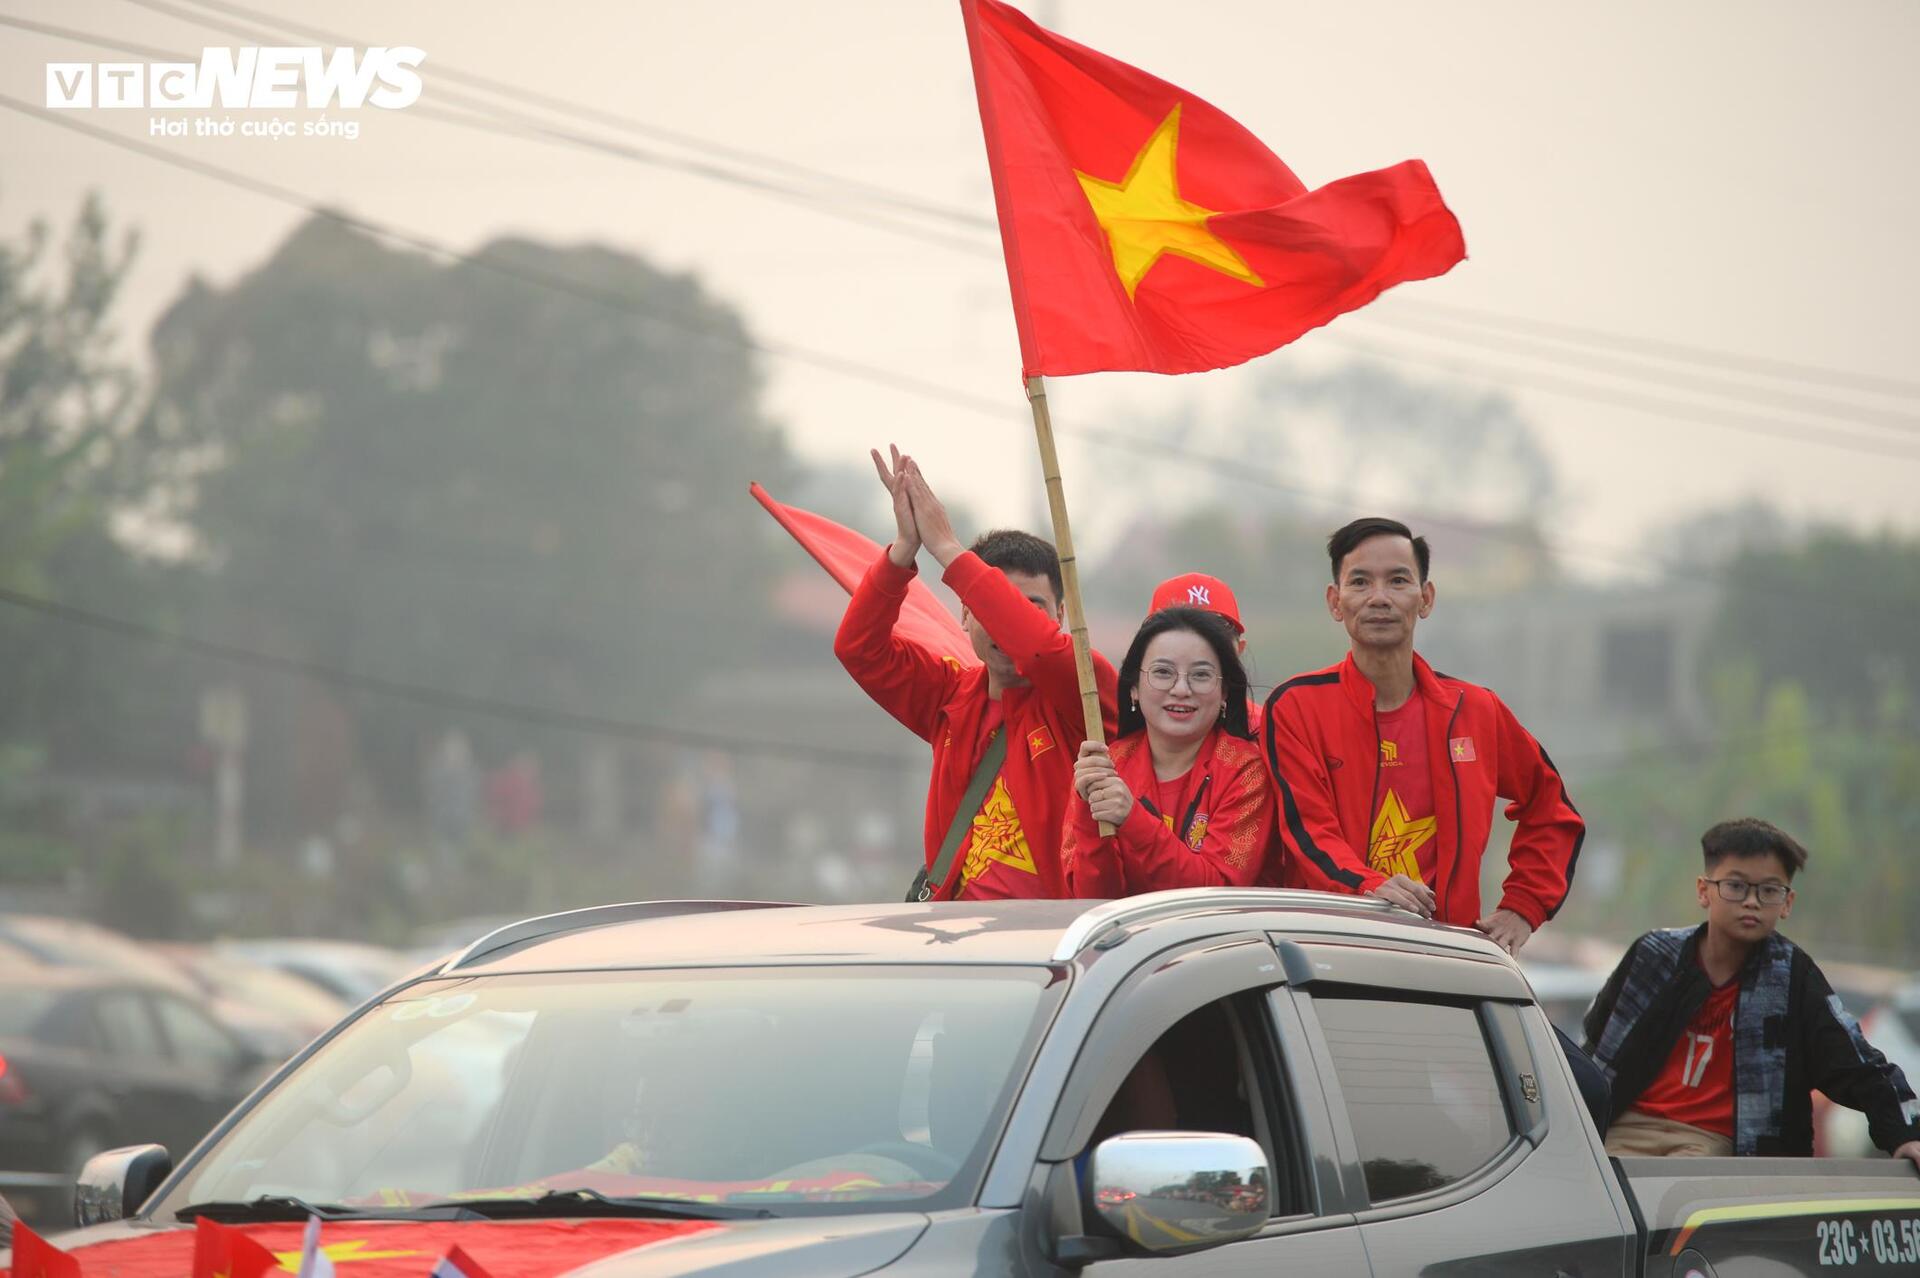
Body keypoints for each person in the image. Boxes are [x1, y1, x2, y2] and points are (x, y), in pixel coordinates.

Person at [1262, 517, 1582, 953]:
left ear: (1425, 598)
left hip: (1443, 965)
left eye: (1398, 580)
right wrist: (1371, 887)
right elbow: (1308, 833)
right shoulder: (1297, 707)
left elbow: (1552, 809)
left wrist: (1523, 907)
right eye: (1360, 582)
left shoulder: (1475, 711)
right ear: (1336, 602)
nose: (1379, 598)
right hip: (1328, 957)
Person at [835, 446, 1117, 900]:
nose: (1007, 621)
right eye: (992, 605)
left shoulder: (1083, 689)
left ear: (1061, 616)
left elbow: (1038, 650)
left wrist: (946, 547)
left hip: (1051, 945)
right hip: (957, 945)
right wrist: (903, 551)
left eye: (1032, 607)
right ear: (965, 614)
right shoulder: (949, 693)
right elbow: (859, 650)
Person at [1583, 819, 1920, 1164]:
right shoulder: (1653, 955)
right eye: (1736, 886)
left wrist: (1905, 1134)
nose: (1751, 902)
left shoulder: (1791, 977)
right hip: (1625, 1126)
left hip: (1719, 1144)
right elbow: (1597, 1045)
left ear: (1787, 903)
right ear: (1704, 890)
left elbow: (1855, 1062)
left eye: (1769, 891)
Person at [1065, 607, 1276, 895]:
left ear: (1224, 691)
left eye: (1201, 675)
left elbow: (1216, 894)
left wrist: (1132, 818)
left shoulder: (1246, 771)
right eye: (1163, 672)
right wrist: (1089, 819)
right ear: (1134, 688)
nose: (1181, 689)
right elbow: (1091, 899)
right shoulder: (1107, 767)